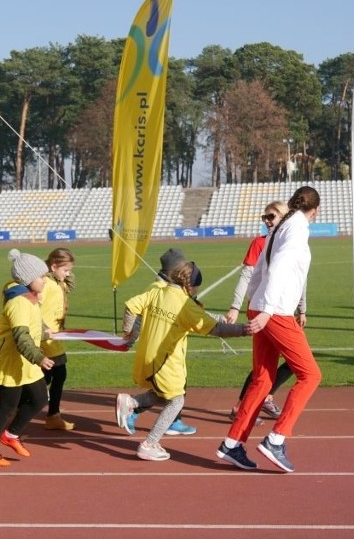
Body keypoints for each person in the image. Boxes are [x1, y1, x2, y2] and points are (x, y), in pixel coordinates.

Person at [216, 185, 323, 473]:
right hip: (274, 311)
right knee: (311, 375)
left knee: (263, 380)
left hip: (263, 306)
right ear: (315, 210)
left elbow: (261, 270)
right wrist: (266, 309)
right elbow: (279, 267)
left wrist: (255, 303)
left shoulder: (280, 226)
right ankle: (276, 439)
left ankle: (233, 443)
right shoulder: (298, 225)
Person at [115, 260, 250, 461]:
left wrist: (127, 331)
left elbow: (130, 306)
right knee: (177, 401)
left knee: (163, 395)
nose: (196, 291)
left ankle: (132, 402)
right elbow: (216, 330)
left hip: (146, 357)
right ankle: (149, 443)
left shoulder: (157, 290)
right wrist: (244, 330)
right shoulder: (185, 304)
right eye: (196, 287)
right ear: (189, 285)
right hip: (164, 362)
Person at [0, 251, 54, 467]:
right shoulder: (17, 303)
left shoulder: (29, 300)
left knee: (39, 399)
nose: (45, 281)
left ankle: (10, 435)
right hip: (12, 362)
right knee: (7, 408)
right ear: (28, 280)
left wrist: (45, 332)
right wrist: (38, 357)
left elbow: (32, 324)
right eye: (41, 277)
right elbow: (21, 335)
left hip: (27, 362)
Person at [224, 201, 295, 421]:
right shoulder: (260, 243)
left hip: (284, 311)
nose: (266, 220)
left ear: (285, 217)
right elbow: (246, 276)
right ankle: (244, 406)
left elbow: (297, 280)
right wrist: (235, 307)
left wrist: (301, 310)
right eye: (264, 217)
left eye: (271, 216)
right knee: (270, 364)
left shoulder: (290, 243)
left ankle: (263, 399)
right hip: (262, 310)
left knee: (283, 363)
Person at [124, 248, 199, 436]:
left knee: (172, 390)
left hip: (171, 350)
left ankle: (172, 419)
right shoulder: (157, 289)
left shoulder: (174, 290)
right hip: (160, 353)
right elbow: (140, 314)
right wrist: (130, 337)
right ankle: (133, 411)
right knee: (171, 392)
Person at [39, 247, 76, 430]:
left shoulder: (58, 282)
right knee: (44, 378)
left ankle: (53, 415)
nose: (68, 274)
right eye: (65, 270)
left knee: (59, 375)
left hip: (56, 338)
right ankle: (16, 408)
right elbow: (34, 306)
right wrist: (43, 328)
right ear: (53, 267)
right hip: (45, 339)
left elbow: (70, 284)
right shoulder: (45, 283)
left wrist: (64, 273)